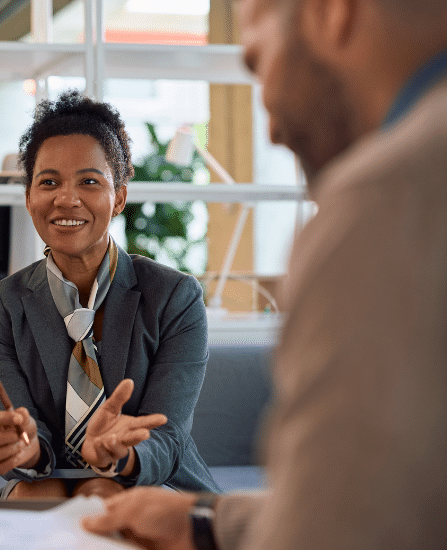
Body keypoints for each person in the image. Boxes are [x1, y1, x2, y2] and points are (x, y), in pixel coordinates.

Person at [83, 0, 447, 548]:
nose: (272, 128)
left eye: (258, 62)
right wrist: (206, 522)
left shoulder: (385, 202)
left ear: (333, 12)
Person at [0, 90, 219, 500]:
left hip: (150, 480)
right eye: (48, 182)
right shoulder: (3, 305)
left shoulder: (175, 297)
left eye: (89, 181)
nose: (66, 198)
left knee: (101, 491)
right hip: (44, 482)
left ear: (119, 197)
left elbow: (168, 437)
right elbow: (25, 441)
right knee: (40, 496)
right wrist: (28, 450)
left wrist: (119, 457)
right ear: (29, 197)